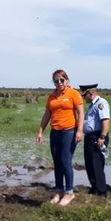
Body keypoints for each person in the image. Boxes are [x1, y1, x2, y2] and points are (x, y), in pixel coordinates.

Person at [36, 69, 84, 206]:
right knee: (56, 162)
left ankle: (69, 193)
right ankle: (59, 191)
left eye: (61, 80)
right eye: (56, 81)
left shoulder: (73, 93)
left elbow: (81, 113)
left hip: (69, 132)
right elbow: (47, 115)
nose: (59, 83)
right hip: (55, 132)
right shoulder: (51, 97)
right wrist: (40, 131)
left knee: (65, 161)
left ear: (67, 80)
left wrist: (80, 131)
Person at [80, 84, 110, 196]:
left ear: (90, 94)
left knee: (96, 165)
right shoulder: (92, 105)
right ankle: (94, 188)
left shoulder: (101, 103)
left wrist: (102, 137)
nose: (83, 98)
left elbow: (105, 120)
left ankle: (102, 191)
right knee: (89, 164)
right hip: (89, 137)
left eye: (84, 95)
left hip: (97, 137)